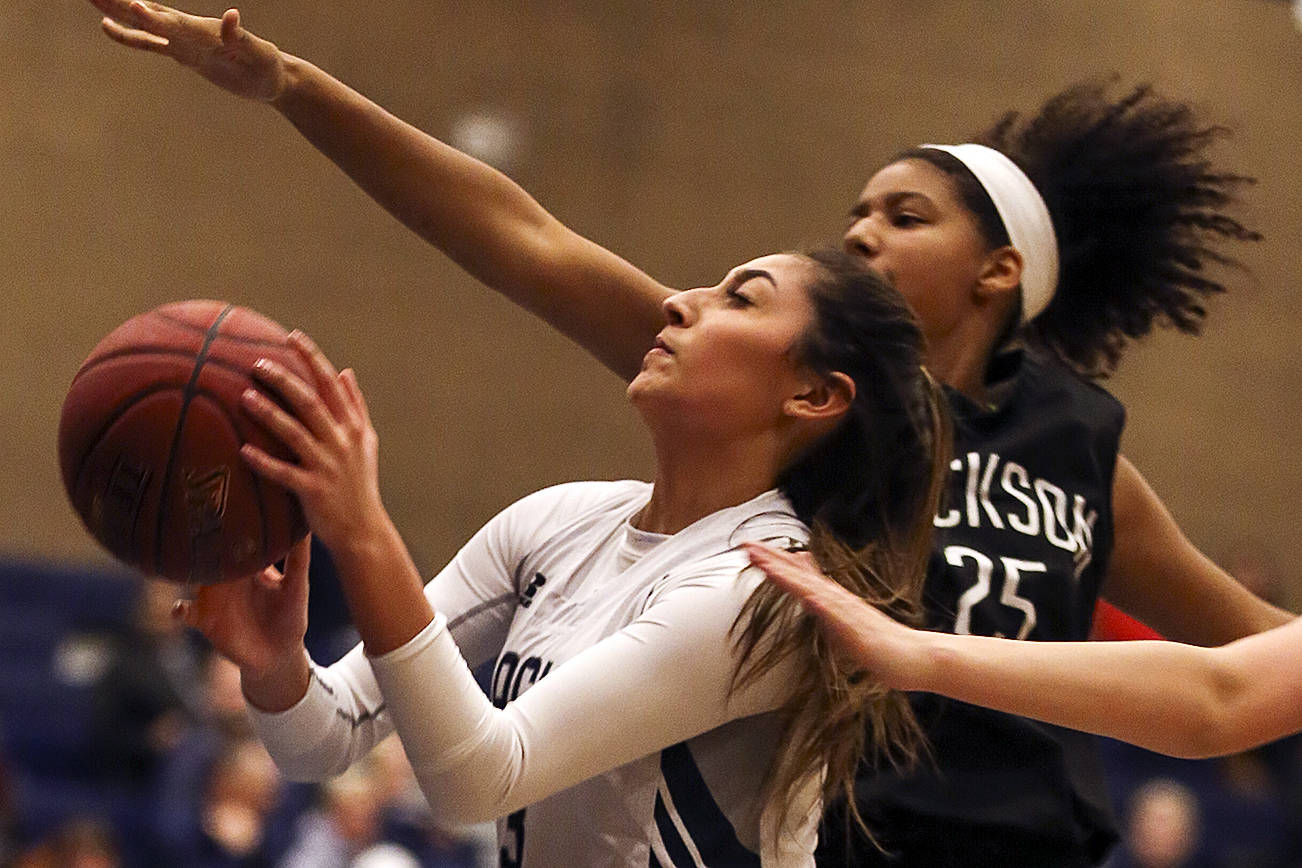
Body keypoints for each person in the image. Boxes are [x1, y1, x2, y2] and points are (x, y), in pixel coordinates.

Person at [83, 3, 1292, 863]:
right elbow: (520, 236)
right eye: (855, 211)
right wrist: (296, 88)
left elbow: (1250, 669)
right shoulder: (762, 406)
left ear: (1000, 272)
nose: (860, 233)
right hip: (838, 826)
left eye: (903, 216)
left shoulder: (1080, 456)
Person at [171, 250, 951, 866]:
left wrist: (364, 531)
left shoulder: (768, 584)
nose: (680, 301)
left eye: (740, 298)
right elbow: (322, 740)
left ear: (814, 396)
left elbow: (477, 778)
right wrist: (275, 666)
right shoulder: (558, 522)